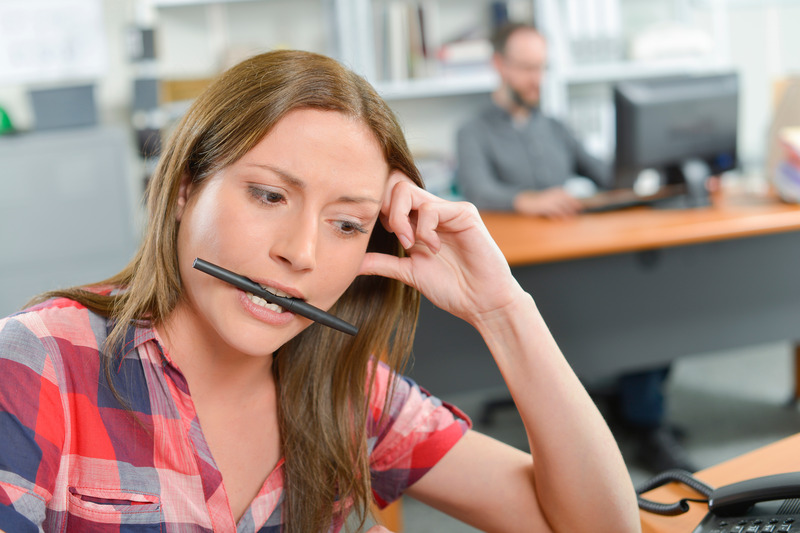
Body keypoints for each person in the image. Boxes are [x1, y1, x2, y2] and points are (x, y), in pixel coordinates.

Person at [0, 50, 640, 532]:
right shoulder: (40, 362)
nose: (301, 254)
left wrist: (503, 311)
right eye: (269, 195)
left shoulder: (350, 388)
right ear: (185, 189)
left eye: (346, 225)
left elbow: (600, 526)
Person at [455, 22, 694, 474]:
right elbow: (475, 189)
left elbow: (608, 176)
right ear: (499, 66)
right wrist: (527, 200)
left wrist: (667, 167)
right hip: (522, 270)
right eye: (526, 68)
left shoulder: (556, 127)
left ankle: (642, 415)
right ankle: (636, 416)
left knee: (654, 302)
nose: (535, 80)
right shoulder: (474, 132)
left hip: (575, 254)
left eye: (541, 68)